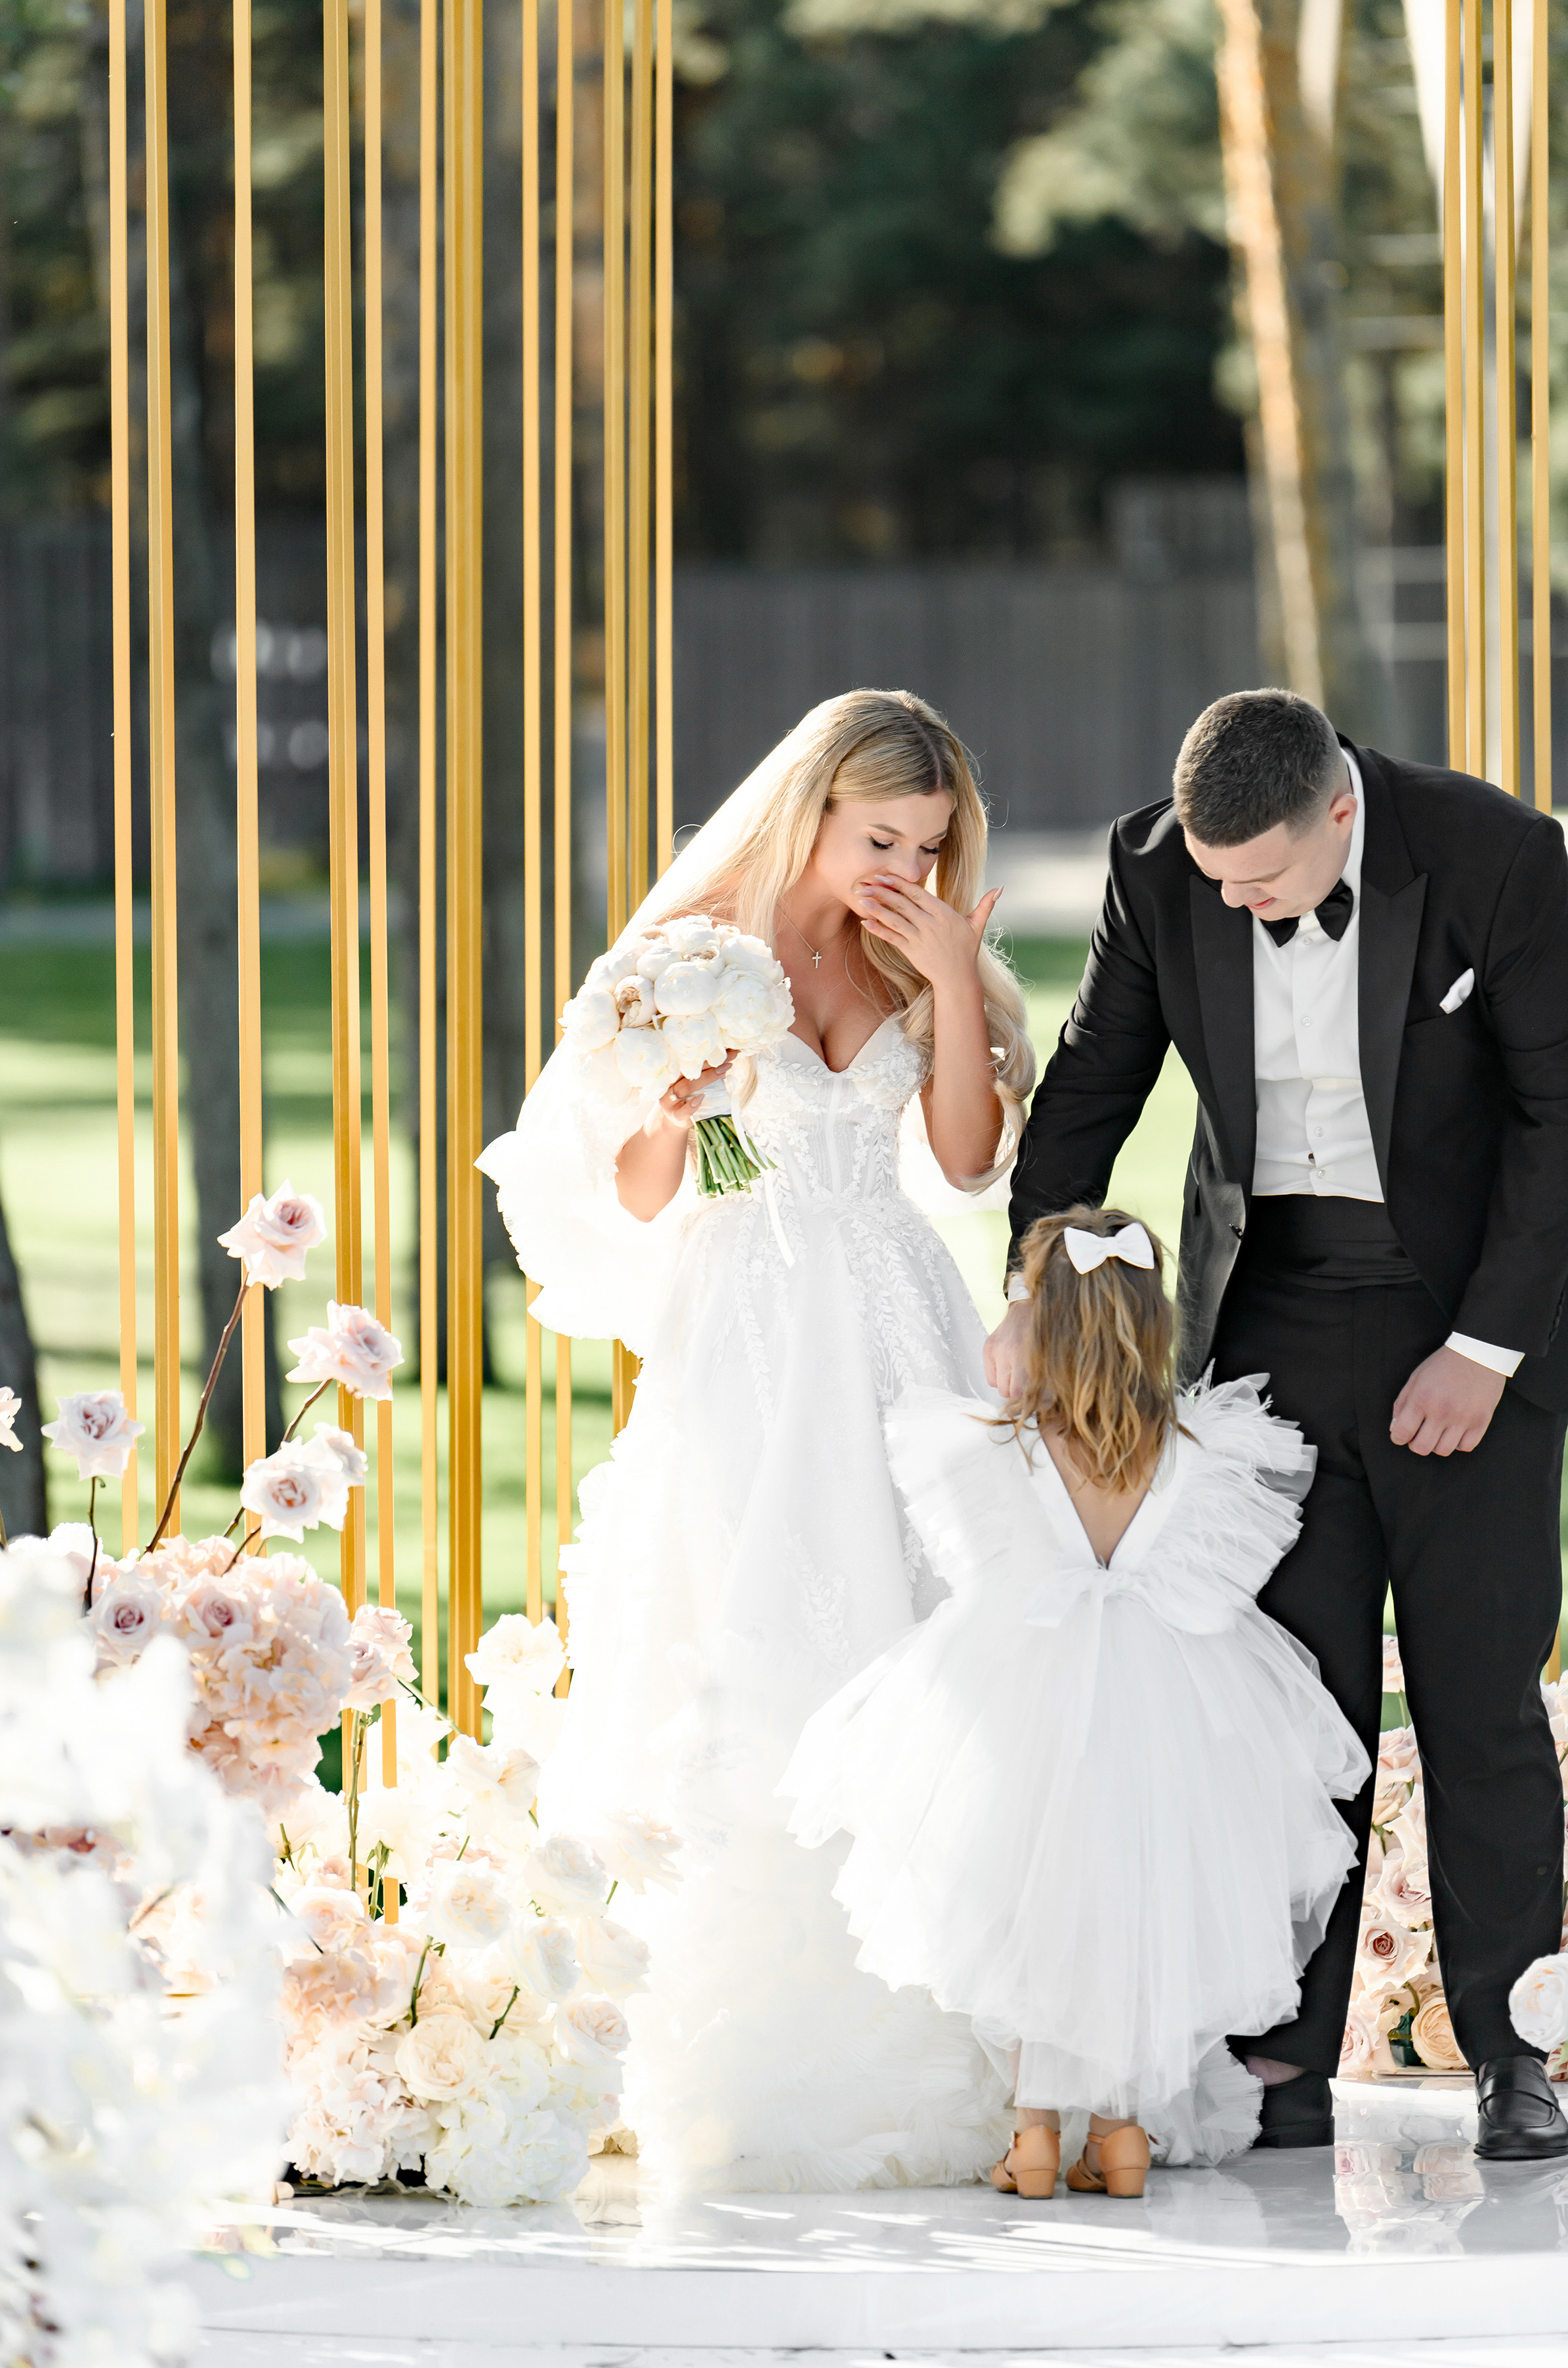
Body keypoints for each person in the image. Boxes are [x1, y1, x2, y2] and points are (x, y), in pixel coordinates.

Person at [985, 689, 1568, 2162]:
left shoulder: (1499, 857)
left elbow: (1563, 1118)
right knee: (1287, 1703)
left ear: (1342, 814)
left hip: (1466, 1323)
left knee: (1481, 1698)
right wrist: (1037, 1293)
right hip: (1274, 1324)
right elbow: (1086, 1097)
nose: (1233, 903)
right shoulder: (1157, 869)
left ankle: (1518, 2052)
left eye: (1264, 880)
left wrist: (1484, 1351)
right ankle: (1282, 2057)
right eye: (1215, 877)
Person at [478, 687, 1035, 2191]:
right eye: (878, 836)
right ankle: (702, 2029)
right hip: (741, 1329)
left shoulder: (922, 951)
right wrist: (675, 1103)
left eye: (927, 843)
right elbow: (645, 1194)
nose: (901, 867)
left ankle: (938, 2014)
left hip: (891, 1314)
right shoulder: (693, 954)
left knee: (910, 1633)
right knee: (732, 1624)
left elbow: (973, 1166)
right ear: (811, 811)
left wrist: (960, 979)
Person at [780, 1205, 1368, 2193]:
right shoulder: (1211, 1451)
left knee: (1027, 1912)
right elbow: (1219, 1583)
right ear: (1155, 1322)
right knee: (1136, 1907)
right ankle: (1123, 2137)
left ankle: (1035, 2137)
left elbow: (980, 1570)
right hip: (1175, 1704)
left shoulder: (984, 1449)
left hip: (1023, 1692)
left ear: (1040, 1321)